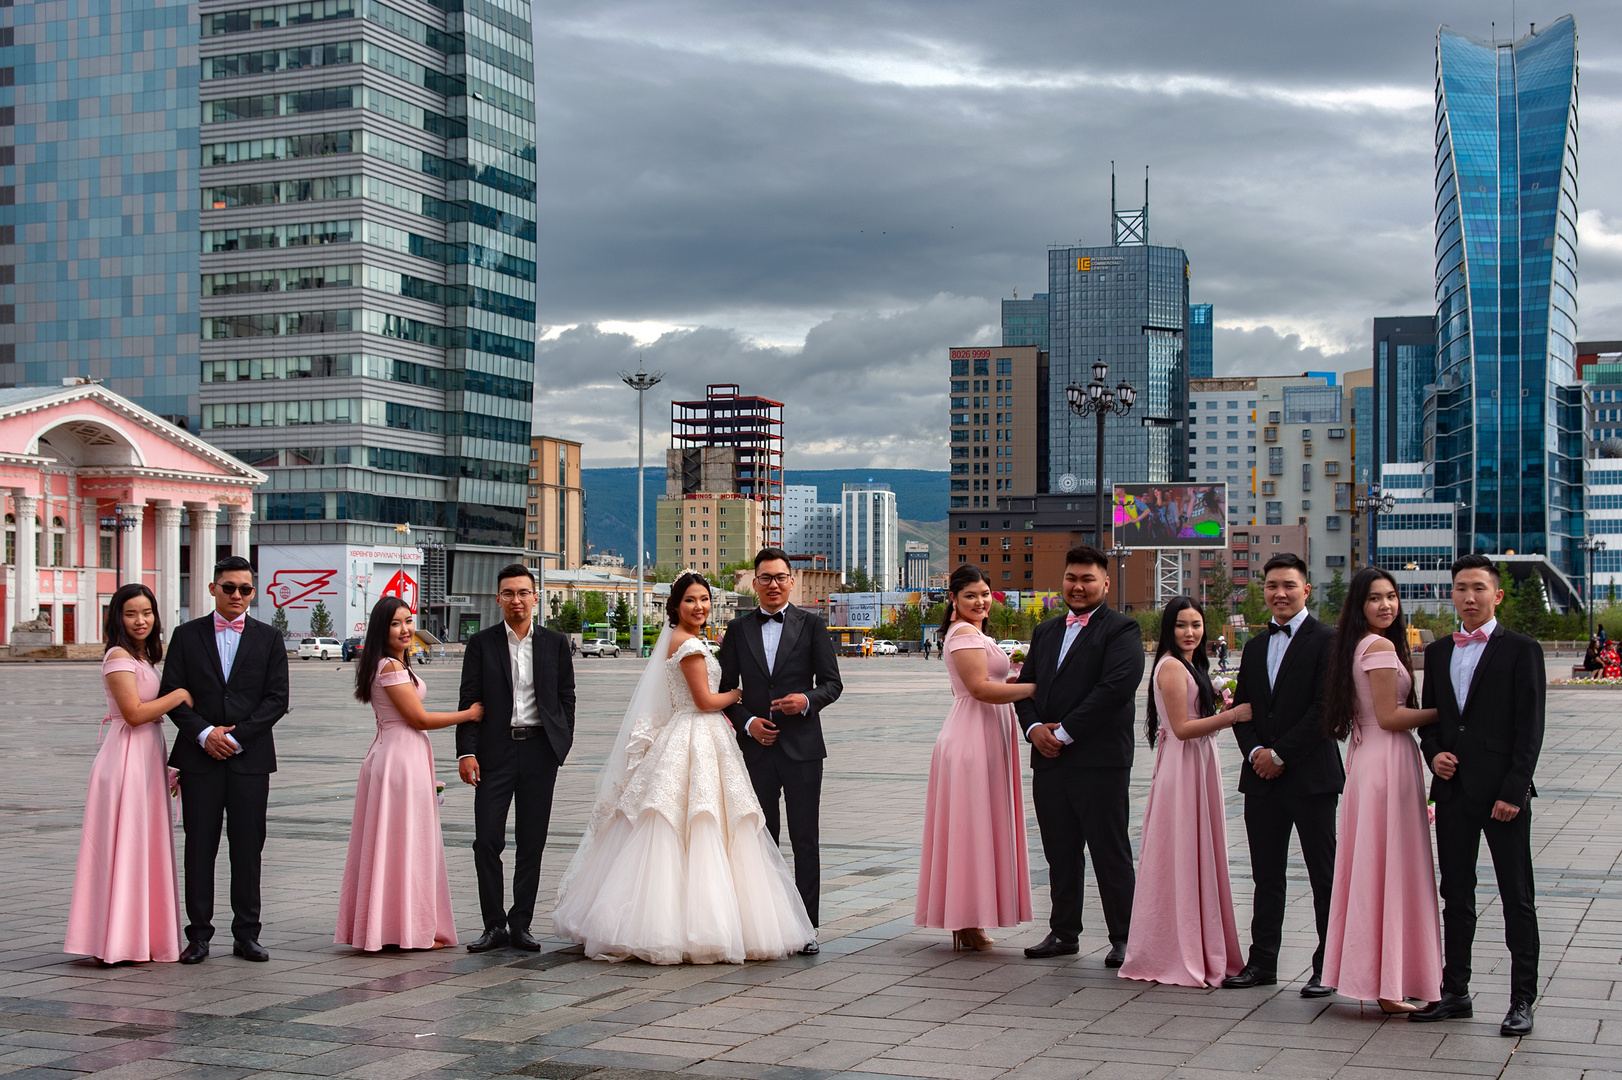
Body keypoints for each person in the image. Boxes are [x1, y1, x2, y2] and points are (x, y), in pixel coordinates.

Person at [552, 571, 815, 963]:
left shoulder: (685, 641)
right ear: (676, 606)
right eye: (691, 600)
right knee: (697, 818)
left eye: (705, 599)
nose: (700, 607)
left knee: (690, 818)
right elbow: (706, 701)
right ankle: (692, 924)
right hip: (697, 731)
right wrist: (738, 693)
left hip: (696, 733)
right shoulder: (688, 645)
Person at [1411, 554, 1544, 1036]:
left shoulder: (1521, 649)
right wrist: (1434, 755)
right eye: (1461, 588)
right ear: (1453, 593)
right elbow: (1433, 719)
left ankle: (1522, 1000)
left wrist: (1514, 791)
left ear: (1497, 595)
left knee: (1517, 897)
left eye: (1479, 589)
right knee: (1456, 894)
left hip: (1502, 797)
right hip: (1453, 792)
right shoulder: (1442, 650)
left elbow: (1530, 728)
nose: (1469, 597)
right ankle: (1455, 992)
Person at [1014, 545, 1145, 964]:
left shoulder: (1123, 630)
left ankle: (1125, 936)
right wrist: (1034, 729)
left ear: (1105, 583)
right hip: (1049, 761)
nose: (1078, 586)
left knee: (1110, 850)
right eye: (1072, 578)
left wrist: (1065, 733)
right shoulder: (1046, 631)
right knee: (1060, 849)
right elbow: (1027, 687)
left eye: (1088, 579)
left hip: (1099, 760)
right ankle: (1064, 931)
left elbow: (1114, 690)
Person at [1319, 568, 1441, 1014]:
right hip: (1387, 761)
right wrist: (1443, 712)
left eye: (1391, 597)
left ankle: (1379, 978)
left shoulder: (1354, 646)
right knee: (1390, 870)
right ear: (1359, 604)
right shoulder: (1381, 646)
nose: (1386, 606)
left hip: (1370, 760)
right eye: (1375, 599)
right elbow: (1390, 716)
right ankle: (1388, 985)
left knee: (1373, 870)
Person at [1222, 553, 1342, 996]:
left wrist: (1281, 754)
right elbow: (1244, 708)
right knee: (1265, 875)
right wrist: (1256, 750)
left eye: (1289, 585)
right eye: (1272, 585)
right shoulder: (1253, 646)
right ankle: (1262, 963)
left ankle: (1327, 966)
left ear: (1306, 589)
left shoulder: (1328, 640)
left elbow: (1325, 708)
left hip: (1310, 776)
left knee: (1322, 876)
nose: (1280, 593)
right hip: (1261, 778)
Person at [161, 556, 289, 964]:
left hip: (249, 759)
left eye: (245, 589)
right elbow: (172, 694)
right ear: (212, 588)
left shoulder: (269, 638)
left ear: (254, 593)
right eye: (229, 587)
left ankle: (246, 934)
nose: (237, 595)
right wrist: (204, 733)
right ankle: (198, 936)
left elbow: (277, 700)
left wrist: (236, 737)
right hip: (200, 758)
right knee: (200, 847)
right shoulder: (186, 635)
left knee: (248, 848)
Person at [336, 598, 482, 952]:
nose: (405, 629)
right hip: (398, 760)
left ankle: (393, 926)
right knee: (405, 843)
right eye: (396, 624)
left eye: (408, 621)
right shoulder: (390, 669)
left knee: (396, 843)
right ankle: (404, 929)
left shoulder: (392, 665)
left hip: (400, 755)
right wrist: (470, 713)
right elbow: (418, 719)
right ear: (380, 630)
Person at [718, 548, 843, 953]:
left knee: (806, 839)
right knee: (762, 837)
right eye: (765, 578)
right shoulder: (737, 630)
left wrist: (806, 701)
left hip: (803, 748)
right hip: (756, 749)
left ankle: (806, 927)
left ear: (793, 582)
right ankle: (769, 924)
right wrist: (748, 723)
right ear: (753, 583)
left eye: (780, 577)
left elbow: (831, 683)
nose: (773, 584)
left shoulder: (812, 625)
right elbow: (725, 690)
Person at [64, 584, 192, 964]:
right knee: (126, 847)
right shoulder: (118, 656)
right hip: (125, 759)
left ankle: (137, 936)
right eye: (132, 613)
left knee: (140, 847)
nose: (141, 621)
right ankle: (117, 940)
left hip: (145, 757)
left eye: (147, 613)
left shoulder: (142, 657)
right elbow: (134, 713)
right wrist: (179, 694)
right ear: (118, 617)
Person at [1118, 596, 1242, 988]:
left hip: (1196, 762)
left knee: (1194, 851)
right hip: (1182, 764)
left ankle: (1194, 942)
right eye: (1181, 625)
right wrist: (1233, 715)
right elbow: (1183, 728)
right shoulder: (1171, 668)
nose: (1190, 632)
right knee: (1180, 852)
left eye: (1197, 625)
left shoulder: (1192, 665)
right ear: (1168, 629)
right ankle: (1172, 947)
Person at [914, 565, 1035, 950]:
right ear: (953, 599)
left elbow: (991, 683)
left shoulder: (975, 633)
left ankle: (968, 916)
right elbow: (980, 689)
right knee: (971, 827)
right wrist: (1036, 688)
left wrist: (1014, 682)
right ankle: (965, 919)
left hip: (984, 733)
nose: (980, 601)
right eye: (970, 596)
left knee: (973, 827)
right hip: (972, 738)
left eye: (985, 594)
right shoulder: (964, 634)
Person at [457, 564, 575, 953]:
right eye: (508, 593)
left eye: (523, 593)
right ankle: (494, 925)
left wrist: (561, 743)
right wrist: (467, 751)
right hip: (495, 752)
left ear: (535, 597)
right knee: (486, 840)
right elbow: (469, 700)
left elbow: (566, 697)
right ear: (498, 599)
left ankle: (521, 923)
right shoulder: (482, 644)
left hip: (540, 750)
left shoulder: (555, 643)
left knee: (532, 841)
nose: (516, 600)